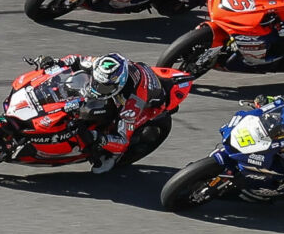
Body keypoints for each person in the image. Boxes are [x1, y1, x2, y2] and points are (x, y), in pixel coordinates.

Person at [23, 53, 184, 173]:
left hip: (149, 103)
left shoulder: (132, 101)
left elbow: (122, 140)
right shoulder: (102, 65)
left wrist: (98, 138)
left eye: (103, 87)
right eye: (96, 82)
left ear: (117, 85)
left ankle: (111, 160)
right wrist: (56, 62)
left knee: (109, 148)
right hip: (133, 75)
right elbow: (76, 60)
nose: (97, 88)